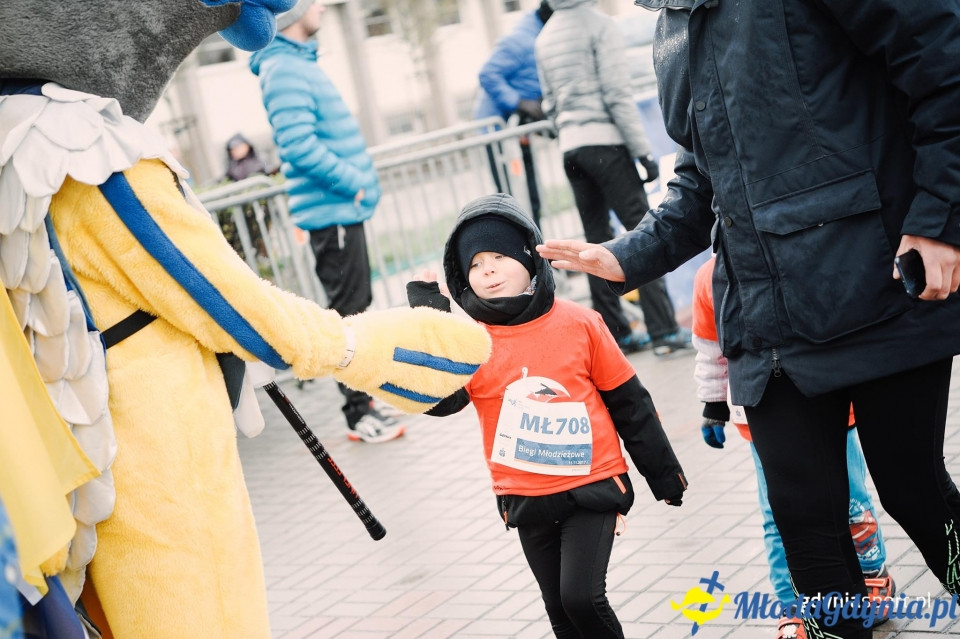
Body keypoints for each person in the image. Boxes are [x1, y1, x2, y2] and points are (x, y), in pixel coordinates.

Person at [537, 3, 960, 637]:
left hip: (874, 282)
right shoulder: (673, 24)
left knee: (913, 490)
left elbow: (944, 65)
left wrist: (939, 220)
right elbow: (700, 178)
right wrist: (626, 255)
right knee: (802, 514)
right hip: (765, 320)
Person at [406, 193, 687, 639]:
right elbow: (442, 401)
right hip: (524, 493)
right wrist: (432, 323)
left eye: (498, 255)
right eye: (475, 263)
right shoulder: (471, 341)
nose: (488, 270)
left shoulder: (580, 323)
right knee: (559, 611)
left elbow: (630, 403)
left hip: (591, 485)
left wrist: (664, 474)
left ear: (529, 257)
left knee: (582, 598)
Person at [691, 257, 894, 639]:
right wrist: (713, 405)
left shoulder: (795, 250)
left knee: (850, 499)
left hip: (828, 401)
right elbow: (709, 348)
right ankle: (795, 603)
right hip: (760, 415)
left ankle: (872, 575)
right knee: (778, 516)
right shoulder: (708, 277)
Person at [250, 0, 405, 443]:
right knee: (348, 315)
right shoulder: (284, 69)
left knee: (356, 308)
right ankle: (358, 415)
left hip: (340, 211)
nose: (321, 5)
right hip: (332, 211)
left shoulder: (296, 63)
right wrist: (355, 182)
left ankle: (366, 402)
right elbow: (298, 147)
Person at [534, 0, 691, 357]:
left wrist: (567, 133)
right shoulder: (600, 25)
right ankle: (664, 330)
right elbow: (617, 94)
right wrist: (642, 151)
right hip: (607, 142)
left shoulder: (544, 36)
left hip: (571, 149)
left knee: (594, 241)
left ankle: (615, 335)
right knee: (642, 231)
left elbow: (550, 103)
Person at [472, 0, 553, 229]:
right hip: (497, 132)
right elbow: (488, 74)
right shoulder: (521, 40)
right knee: (512, 199)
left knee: (530, 194)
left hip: (517, 129)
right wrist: (519, 102)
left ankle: (537, 250)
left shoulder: (541, 33)